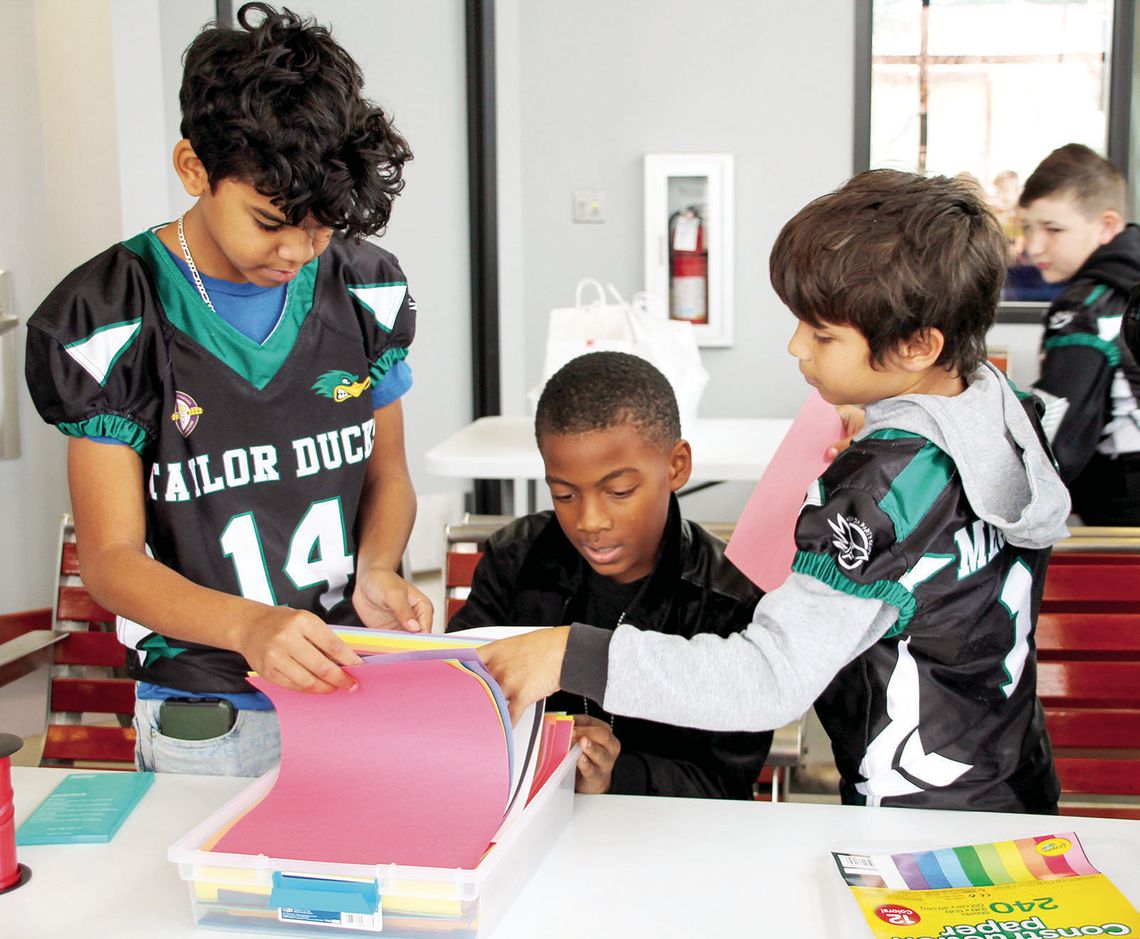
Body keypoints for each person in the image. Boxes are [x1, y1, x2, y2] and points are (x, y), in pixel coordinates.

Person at [480, 170, 1072, 813]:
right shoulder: (999, 414)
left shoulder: (874, 496)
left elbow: (770, 679)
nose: (796, 348)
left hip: (917, 816)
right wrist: (883, 423)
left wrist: (575, 653)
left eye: (822, 335)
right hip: (1012, 783)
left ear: (915, 346)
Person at [24, 3, 431, 776]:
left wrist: (379, 565)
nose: (297, 251)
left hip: (352, 682)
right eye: (270, 220)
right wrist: (248, 627)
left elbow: (388, 472)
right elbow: (110, 560)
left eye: (320, 227)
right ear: (193, 169)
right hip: (206, 713)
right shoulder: (111, 312)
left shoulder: (364, 286)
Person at [448, 352, 771, 799]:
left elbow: (724, 784)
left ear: (676, 466)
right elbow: (461, 706)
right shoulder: (514, 562)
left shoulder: (728, 599)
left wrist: (616, 775)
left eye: (619, 492)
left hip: (662, 843)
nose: (590, 521)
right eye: (564, 494)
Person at [1019, 143, 1140, 524]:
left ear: (1106, 226)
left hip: (1123, 529)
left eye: (1053, 229)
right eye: (1028, 228)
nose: (1034, 245)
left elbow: (1050, 446)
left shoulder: (1086, 306)